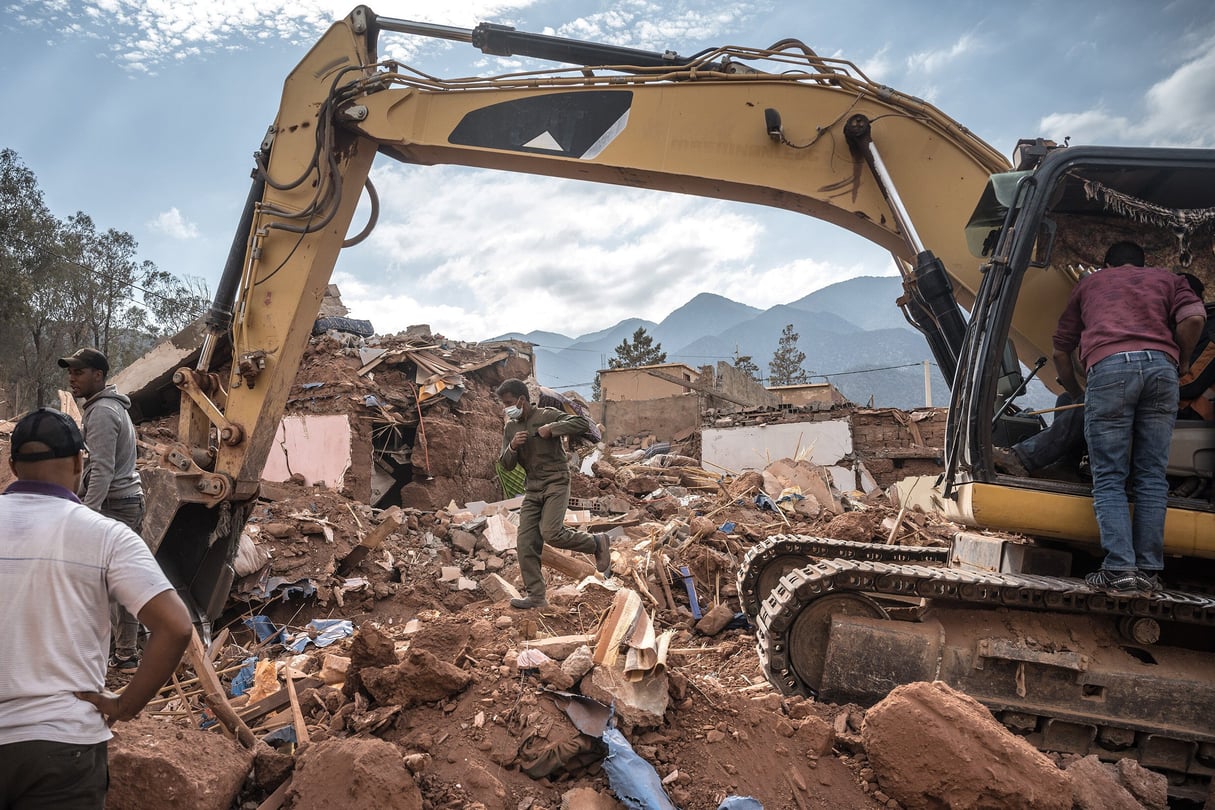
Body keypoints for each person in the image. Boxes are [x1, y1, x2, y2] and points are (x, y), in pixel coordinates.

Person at [0, 407, 192, 808]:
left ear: (13, 464)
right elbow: (175, 627)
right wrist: (125, 705)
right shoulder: (106, 536)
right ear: (78, 462)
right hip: (62, 749)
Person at [1053, 241, 1206, 593]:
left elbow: (1061, 349)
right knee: (1152, 476)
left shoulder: (1091, 283)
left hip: (1109, 370)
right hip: (1162, 371)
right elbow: (1195, 317)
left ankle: (1120, 568)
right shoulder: (1167, 279)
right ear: (1143, 263)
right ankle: (1149, 571)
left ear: (1106, 264)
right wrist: (1180, 361)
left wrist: (1078, 394)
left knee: (1109, 475)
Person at [59, 347, 147, 669]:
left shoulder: (102, 413)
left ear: (98, 375)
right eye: (70, 372)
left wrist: (87, 511)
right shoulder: (107, 408)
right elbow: (97, 467)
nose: (72, 378)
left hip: (116, 504)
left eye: (78, 372)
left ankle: (116, 653)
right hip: (124, 501)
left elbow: (103, 470)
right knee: (120, 578)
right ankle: (125, 652)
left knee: (103, 581)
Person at [496, 378, 612, 609]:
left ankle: (596, 543)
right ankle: (537, 597)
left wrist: (553, 429)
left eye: (509, 402)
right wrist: (513, 448)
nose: (506, 408)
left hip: (556, 482)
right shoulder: (511, 428)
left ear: (521, 400)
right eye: (503, 404)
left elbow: (582, 423)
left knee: (551, 532)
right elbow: (505, 464)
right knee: (526, 542)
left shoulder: (547, 415)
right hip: (533, 487)